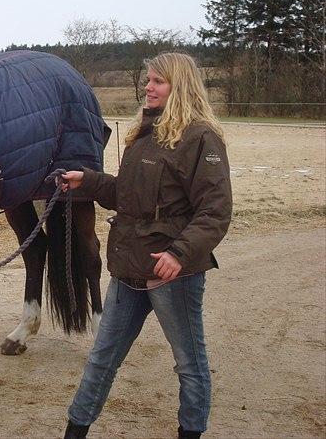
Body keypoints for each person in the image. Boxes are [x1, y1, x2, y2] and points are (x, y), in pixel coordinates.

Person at [60, 52, 232, 439]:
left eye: (158, 81)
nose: (148, 87)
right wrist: (86, 181)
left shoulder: (202, 137)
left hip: (173, 273)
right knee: (102, 359)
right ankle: (74, 433)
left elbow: (215, 211)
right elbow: (127, 195)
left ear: (180, 86)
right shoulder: (143, 134)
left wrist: (179, 253)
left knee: (189, 364)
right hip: (129, 265)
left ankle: (191, 433)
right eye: (148, 80)